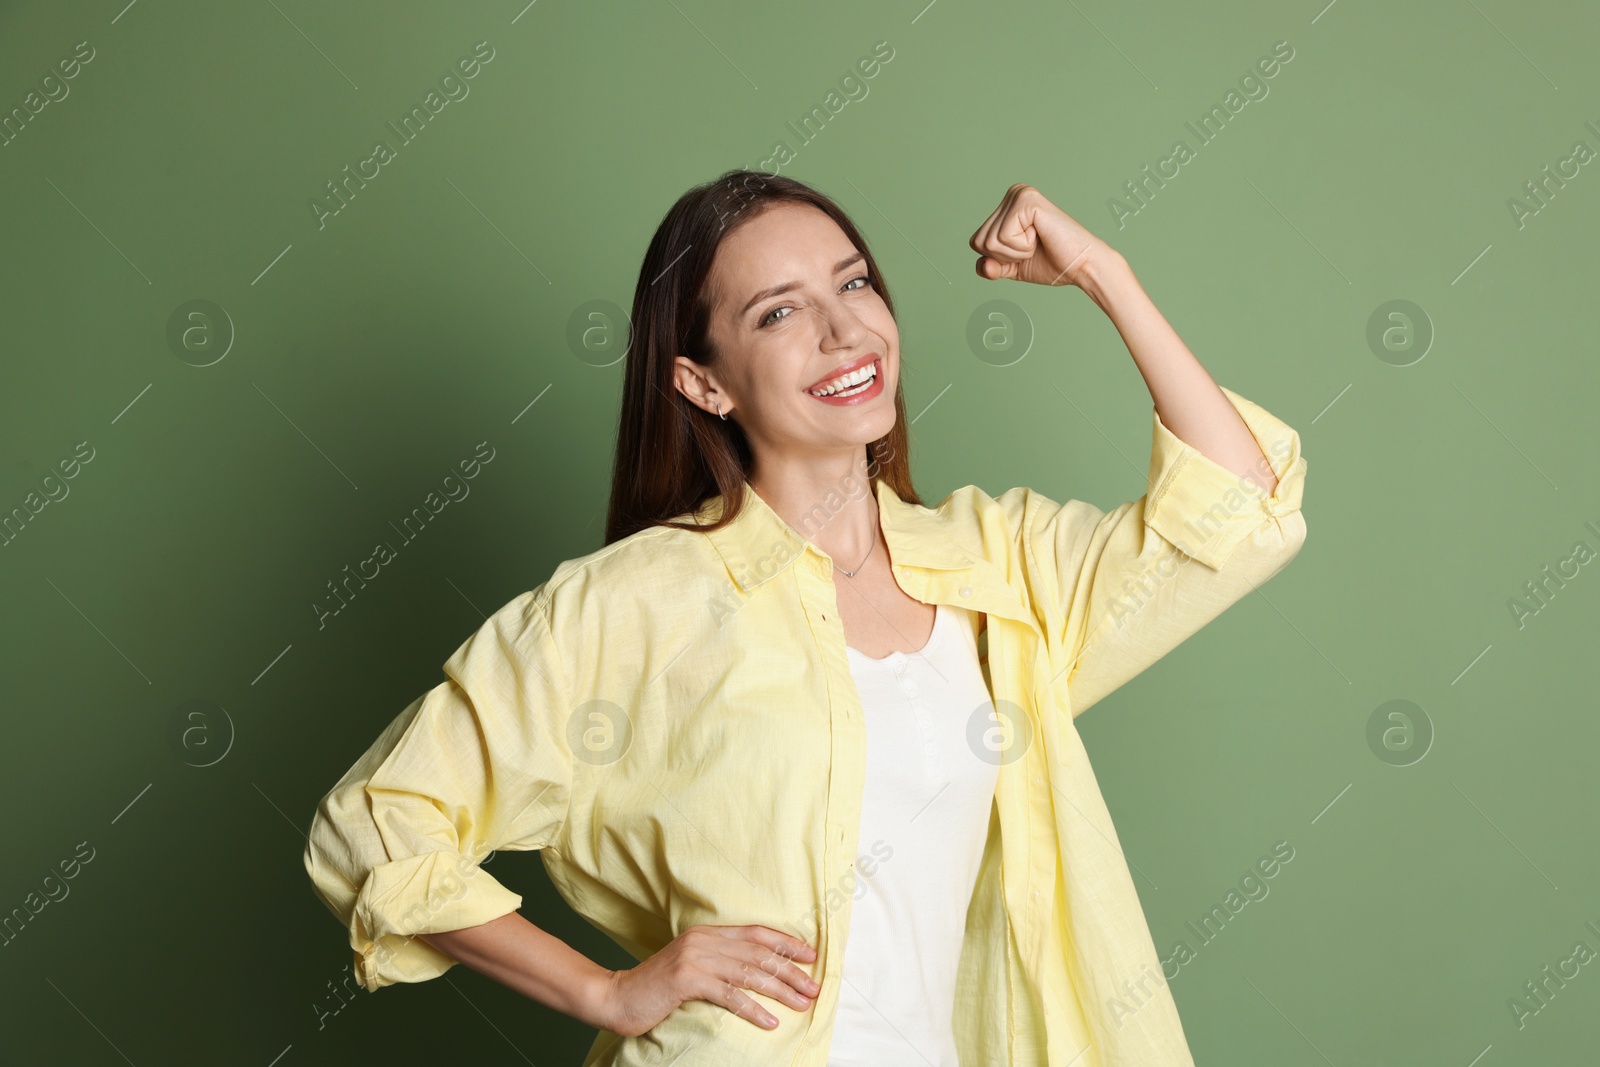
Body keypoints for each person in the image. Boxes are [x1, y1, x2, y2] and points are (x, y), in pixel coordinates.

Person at [303, 170, 1308, 1067]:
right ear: (703, 381)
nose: (843, 332)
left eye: (855, 283)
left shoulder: (996, 566)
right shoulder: (637, 601)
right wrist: (605, 990)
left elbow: (1242, 510)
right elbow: (375, 825)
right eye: (779, 313)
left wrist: (1101, 271)